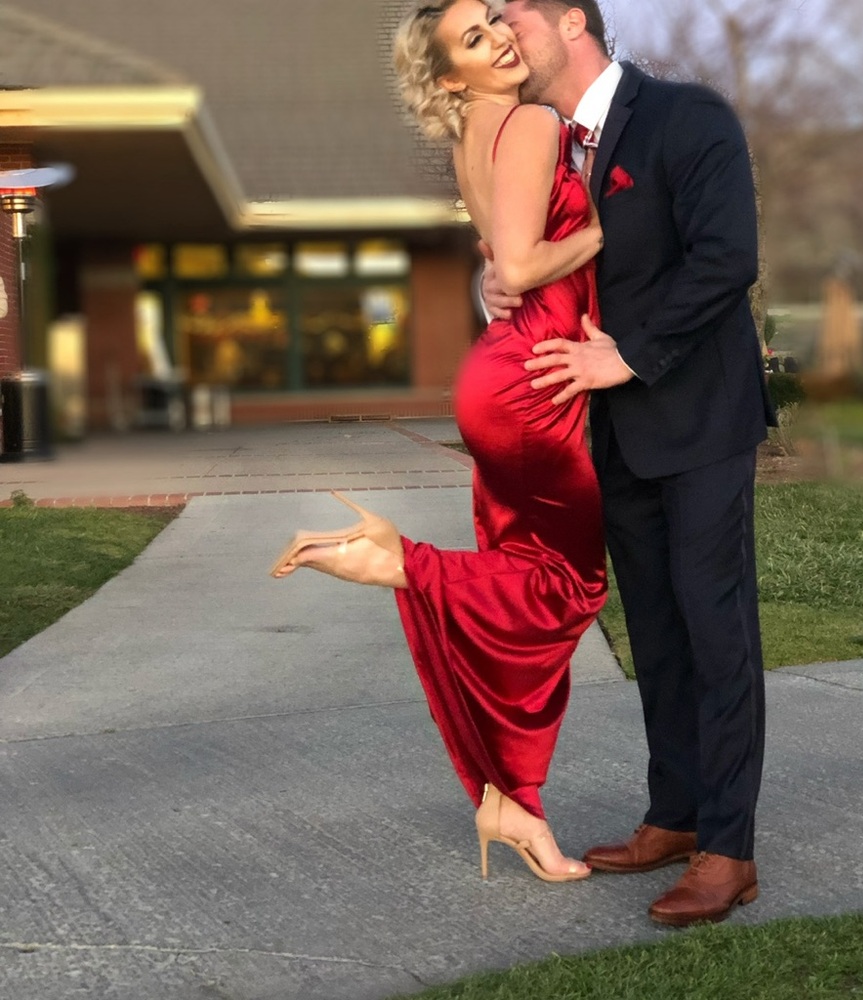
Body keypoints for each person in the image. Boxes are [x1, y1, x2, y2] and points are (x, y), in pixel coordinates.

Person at [271, 0, 607, 884]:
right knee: (569, 583)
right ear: (451, 76)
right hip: (534, 384)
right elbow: (526, 266)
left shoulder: (474, 134)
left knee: (518, 586)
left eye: (495, 18)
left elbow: (501, 260)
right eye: (474, 37)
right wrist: (610, 227)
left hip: (505, 375)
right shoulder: (531, 118)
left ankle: (513, 804)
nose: (499, 35)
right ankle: (401, 563)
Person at [482, 0, 777, 925]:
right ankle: (677, 815)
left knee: (715, 632)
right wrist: (501, 281)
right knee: (655, 631)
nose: (498, 34)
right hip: (611, 436)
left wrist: (630, 352)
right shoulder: (543, 143)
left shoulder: (689, 119)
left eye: (508, 15)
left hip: (697, 421)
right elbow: (545, 262)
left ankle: (729, 848)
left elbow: (728, 259)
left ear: (572, 19)